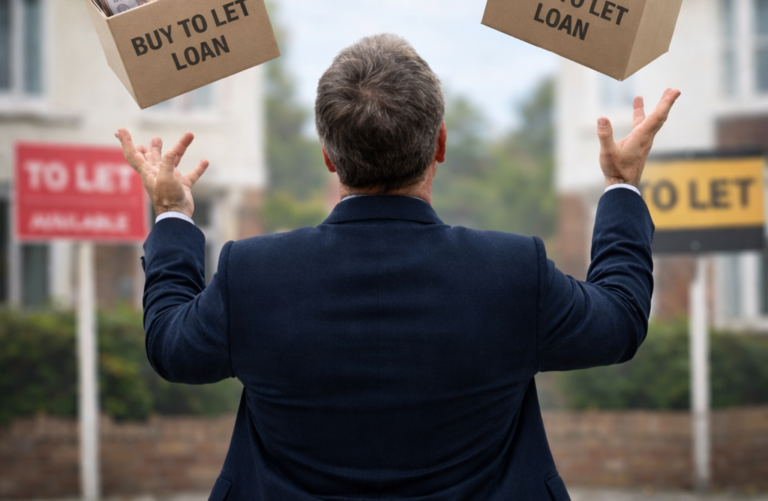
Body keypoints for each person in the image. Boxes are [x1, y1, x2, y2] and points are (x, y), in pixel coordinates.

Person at [116, 34, 680, 501]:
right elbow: (622, 321)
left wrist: (171, 216)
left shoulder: (253, 275)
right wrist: (623, 187)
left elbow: (171, 346)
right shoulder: (512, 272)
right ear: (439, 143)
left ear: (329, 157)